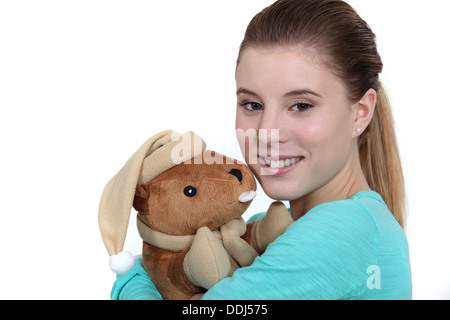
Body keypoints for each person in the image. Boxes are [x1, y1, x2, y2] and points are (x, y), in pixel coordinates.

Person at [111, 0, 412, 300]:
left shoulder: (343, 232)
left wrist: (131, 276)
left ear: (360, 112)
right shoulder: (256, 233)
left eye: (301, 105)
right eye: (252, 104)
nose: (266, 134)